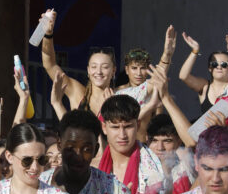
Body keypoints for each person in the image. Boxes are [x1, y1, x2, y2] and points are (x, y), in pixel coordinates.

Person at [39, 8, 175, 116]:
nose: (98, 72)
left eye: (104, 67)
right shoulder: (76, 91)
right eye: (94, 67)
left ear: (113, 71)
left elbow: (155, 81)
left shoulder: (123, 96)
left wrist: (167, 54)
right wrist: (48, 34)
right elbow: (49, 64)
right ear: (88, 70)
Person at [178, 31, 228, 124]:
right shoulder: (204, 86)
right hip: (210, 137)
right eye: (214, 64)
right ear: (210, 68)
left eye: (224, 64)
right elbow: (183, 76)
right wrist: (195, 50)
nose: (219, 67)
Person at [147, 114, 195, 194]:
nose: (160, 147)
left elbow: (191, 142)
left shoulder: (188, 164)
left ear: (179, 141)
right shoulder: (140, 168)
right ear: (147, 140)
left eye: (167, 141)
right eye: (154, 140)